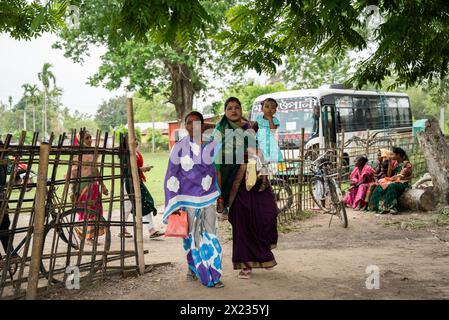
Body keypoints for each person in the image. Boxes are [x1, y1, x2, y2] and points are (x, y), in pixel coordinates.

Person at [214, 97, 278, 280]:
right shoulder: (221, 130)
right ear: (225, 112)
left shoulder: (251, 126)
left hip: (255, 176)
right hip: (234, 182)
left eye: (237, 107)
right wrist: (219, 193)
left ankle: (262, 253)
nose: (233, 110)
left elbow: (258, 148)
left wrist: (263, 170)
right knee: (242, 222)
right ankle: (245, 264)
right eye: (229, 108)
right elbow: (217, 159)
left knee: (268, 214)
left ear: (241, 109)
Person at [163, 111, 224, 288]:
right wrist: (174, 202)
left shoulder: (211, 144)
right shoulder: (179, 147)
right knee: (191, 237)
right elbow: (171, 175)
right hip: (188, 200)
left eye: (198, 123)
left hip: (209, 198)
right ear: (185, 126)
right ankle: (193, 267)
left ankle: (214, 273)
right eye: (189, 123)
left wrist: (208, 126)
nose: (193, 126)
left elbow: (215, 170)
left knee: (211, 236)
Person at [70, 132, 109, 245]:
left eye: (90, 137)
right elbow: (73, 172)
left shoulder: (93, 154)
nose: (90, 140)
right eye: (87, 138)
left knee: (96, 209)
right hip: (83, 186)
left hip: (94, 185)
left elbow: (96, 171)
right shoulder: (78, 155)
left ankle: (88, 235)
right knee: (88, 211)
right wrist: (73, 190)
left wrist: (103, 186)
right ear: (80, 140)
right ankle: (87, 237)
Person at [121, 140, 163, 239]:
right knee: (128, 206)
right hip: (129, 182)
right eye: (132, 140)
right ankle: (123, 229)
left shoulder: (136, 153)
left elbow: (137, 168)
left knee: (146, 202)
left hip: (137, 181)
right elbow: (127, 170)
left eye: (136, 140)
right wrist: (142, 169)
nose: (135, 141)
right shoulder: (126, 155)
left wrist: (142, 169)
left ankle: (151, 230)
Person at [368, 147, 413, 214]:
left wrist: (392, 179)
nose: (391, 156)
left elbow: (401, 176)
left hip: (403, 183)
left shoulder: (406, 164)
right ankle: (377, 207)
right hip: (395, 181)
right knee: (379, 186)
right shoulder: (395, 164)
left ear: (398, 155)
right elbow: (389, 175)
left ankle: (392, 207)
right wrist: (389, 162)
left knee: (391, 186)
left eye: (392, 154)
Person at [255, 98, 283, 192]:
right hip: (259, 142)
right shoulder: (258, 118)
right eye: (267, 107)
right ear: (262, 109)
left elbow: (272, 130)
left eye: (272, 108)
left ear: (275, 110)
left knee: (264, 162)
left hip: (268, 144)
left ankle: (264, 181)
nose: (269, 109)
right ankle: (258, 177)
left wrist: (270, 119)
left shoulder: (274, 120)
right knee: (256, 161)